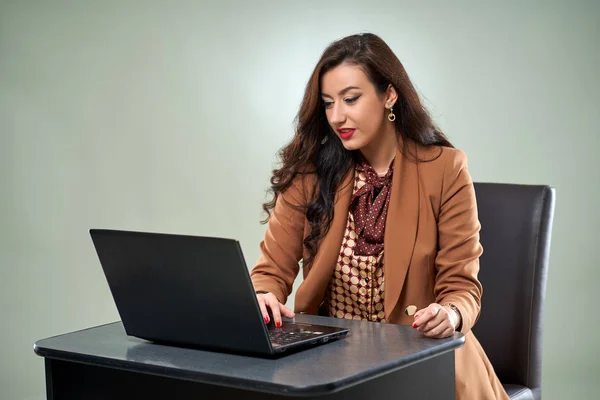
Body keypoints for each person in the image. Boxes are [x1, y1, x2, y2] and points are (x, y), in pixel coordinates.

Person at [250, 32, 508, 400]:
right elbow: (270, 272)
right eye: (327, 104)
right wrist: (264, 296)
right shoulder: (309, 174)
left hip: (424, 359)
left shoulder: (446, 169)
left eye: (351, 99)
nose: (337, 116)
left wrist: (450, 314)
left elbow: (462, 288)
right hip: (332, 365)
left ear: (389, 95)